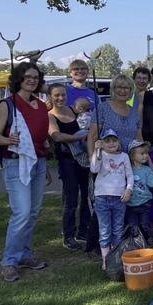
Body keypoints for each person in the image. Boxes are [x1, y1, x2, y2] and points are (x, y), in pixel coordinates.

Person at [0, 62, 50, 282]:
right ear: (19, 79)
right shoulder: (7, 105)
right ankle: (8, 261)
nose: (32, 80)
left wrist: (46, 161)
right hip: (15, 162)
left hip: (38, 162)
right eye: (28, 76)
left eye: (36, 77)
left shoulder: (41, 105)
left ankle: (24, 253)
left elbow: (41, 136)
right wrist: (7, 139)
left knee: (33, 211)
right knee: (22, 212)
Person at [47, 83, 90, 251]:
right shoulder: (50, 116)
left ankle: (83, 230)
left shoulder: (73, 110)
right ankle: (68, 235)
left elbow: (86, 124)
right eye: (56, 95)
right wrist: (78, 138)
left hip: (83, 159)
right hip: (67, 161)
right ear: (50, 97)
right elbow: (56, 136)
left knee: (87, 195)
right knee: (71, 198)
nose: (60, 98)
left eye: (63, 95)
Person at [90, 129, 134, 270]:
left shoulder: (124, 156)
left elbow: (130, 175)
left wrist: (128, 189)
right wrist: (96, 151)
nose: (111, 143)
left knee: (118, 229)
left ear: (118, 142)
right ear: (102, 143)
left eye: (114, 140)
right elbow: (94, 169)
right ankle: (105, 260)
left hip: (119, 198)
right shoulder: (100, 154)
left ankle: (115, 258)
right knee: (104, 230)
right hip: (102, 197)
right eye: (107, 141)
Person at [87, 74, 142, 157]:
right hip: (107, 163)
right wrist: (92, 160)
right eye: (119, 87)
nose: (122, 91)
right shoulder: (102, 108)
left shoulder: (134, 112)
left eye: (126, 88)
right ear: (113, 89)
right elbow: (92, 136)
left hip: (130, 162)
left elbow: (139, 139)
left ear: (131, 90)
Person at [126, 140, 153, 229]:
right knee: (133, 226)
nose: (145, 155)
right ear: (132, 156)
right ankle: (136, 242)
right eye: (142, 153)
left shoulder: (147, 170)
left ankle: (145, 241)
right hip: (130, 204)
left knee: (144, 226)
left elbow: (151, 184)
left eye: (146, 153)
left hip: (144, 203)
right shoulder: (127, 170)